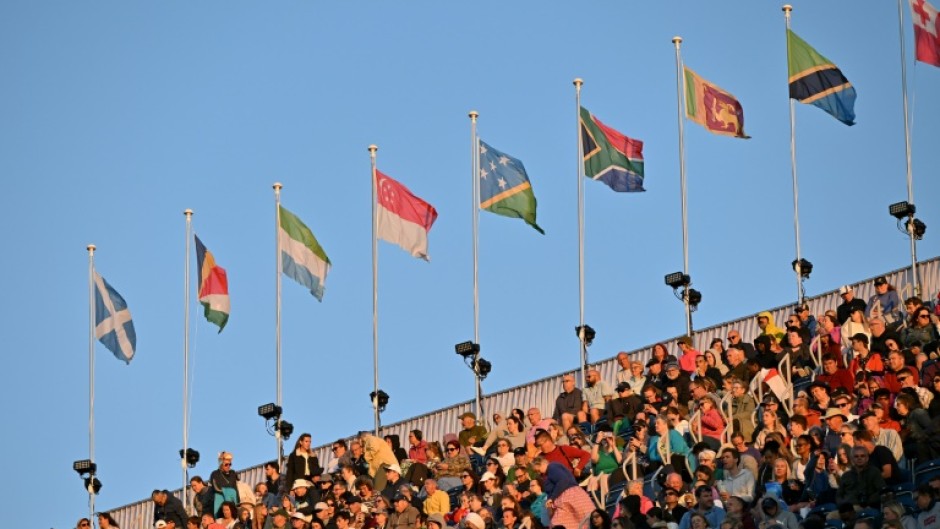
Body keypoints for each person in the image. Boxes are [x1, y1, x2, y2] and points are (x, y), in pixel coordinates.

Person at [532, 457, 595, 529]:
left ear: (541, 464)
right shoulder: (548, 474)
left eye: (537, 470)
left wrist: (552, 498)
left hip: (571, 498)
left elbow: (563, 480)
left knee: (584, 521)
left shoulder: (552, 467)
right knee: (561, 524)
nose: (538, 473)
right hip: (564, 502)